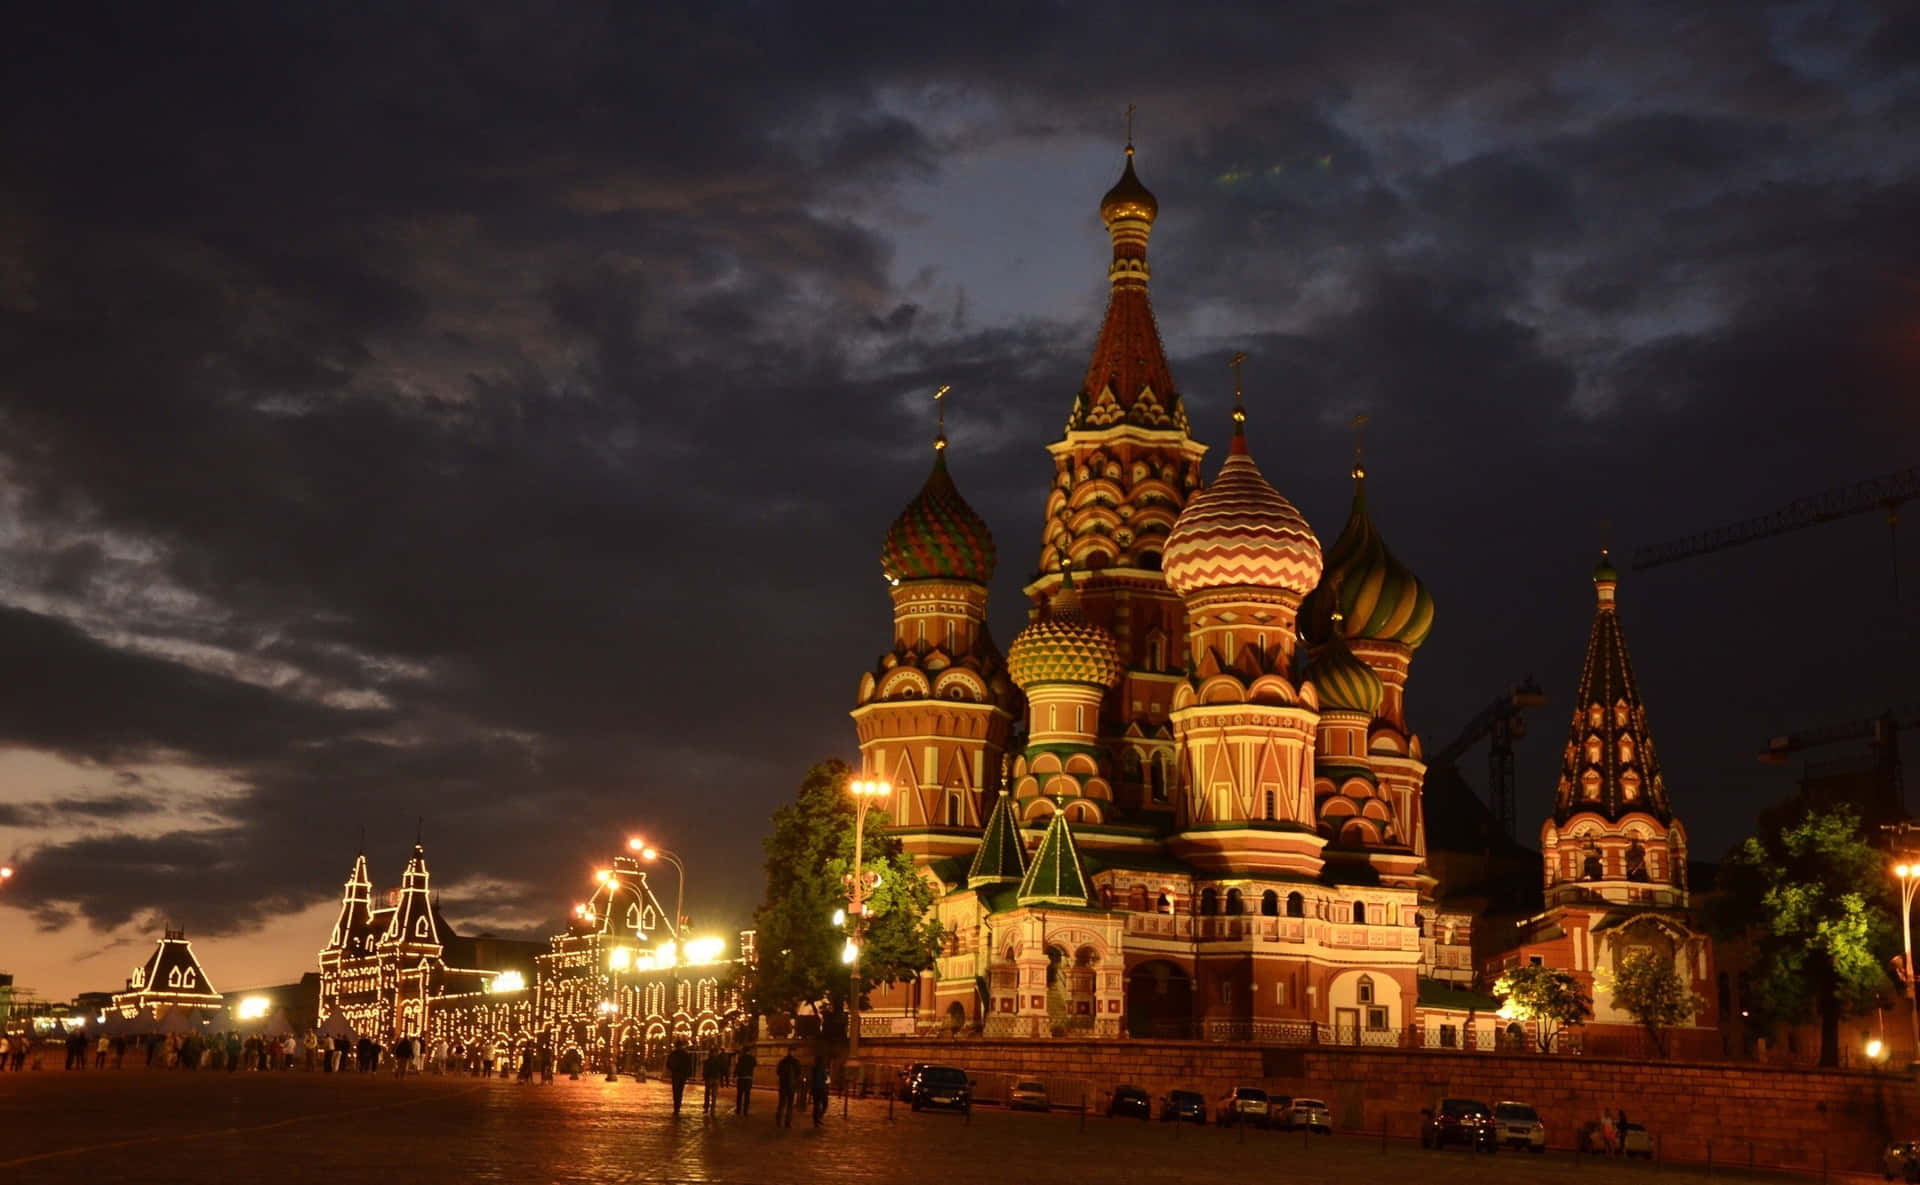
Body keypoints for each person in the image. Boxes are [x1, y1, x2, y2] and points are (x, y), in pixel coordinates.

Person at [775, 1048, 801, 1127]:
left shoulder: (782, 1061)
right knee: (790, 1105)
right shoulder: (796, 1062)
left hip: (783, 1085)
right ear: (793, 1052)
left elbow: (778, 1072)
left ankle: (779, 1121)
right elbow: (799, 1073)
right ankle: (787, 1122)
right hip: (791, 1086)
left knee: (781, 1104)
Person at [666, 1040, 694, 1115]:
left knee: (675, 1091)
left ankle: (676, 1106)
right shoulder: (685, 1054)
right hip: (682, 1075)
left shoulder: (673, 1054)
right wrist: (688, 1074)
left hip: (675, 1074)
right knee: (680, 1090)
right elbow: (689, 1065)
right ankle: (678, 1106)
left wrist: (672, 1069)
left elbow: (668, 1064)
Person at [703, 1046, 726, 1116]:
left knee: (708, 1094)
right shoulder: (719, 1061)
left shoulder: (708, 1061)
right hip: (715, 1078)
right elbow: (722, 1069)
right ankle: (712, 1110)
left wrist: (705, 1076)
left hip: (710, 1078)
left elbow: (705, 1070)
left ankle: (707, 1108)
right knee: (713, 1095)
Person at [733, 1048, 757, 1115]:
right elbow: (755, 1064)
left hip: (741, 1078)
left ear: (744, 1051)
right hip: (748, 1078)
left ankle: (738, 1109)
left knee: (739, 1095)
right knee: (747, 1095)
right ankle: (745, 1111)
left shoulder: (741, 1058)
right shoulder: (752, 1058)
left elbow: (737, 1067)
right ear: (749, 1051)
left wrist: (734, 1075)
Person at [809, 1057, 829, 1127]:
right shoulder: (822, 1069)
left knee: (816, 1105)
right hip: (821, 1089)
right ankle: (818, 1118)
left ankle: (816, 1120)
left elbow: (812, 1079)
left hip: (815, 1089)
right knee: (825, 1104)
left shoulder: (814, 1069)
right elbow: (826, 1079)